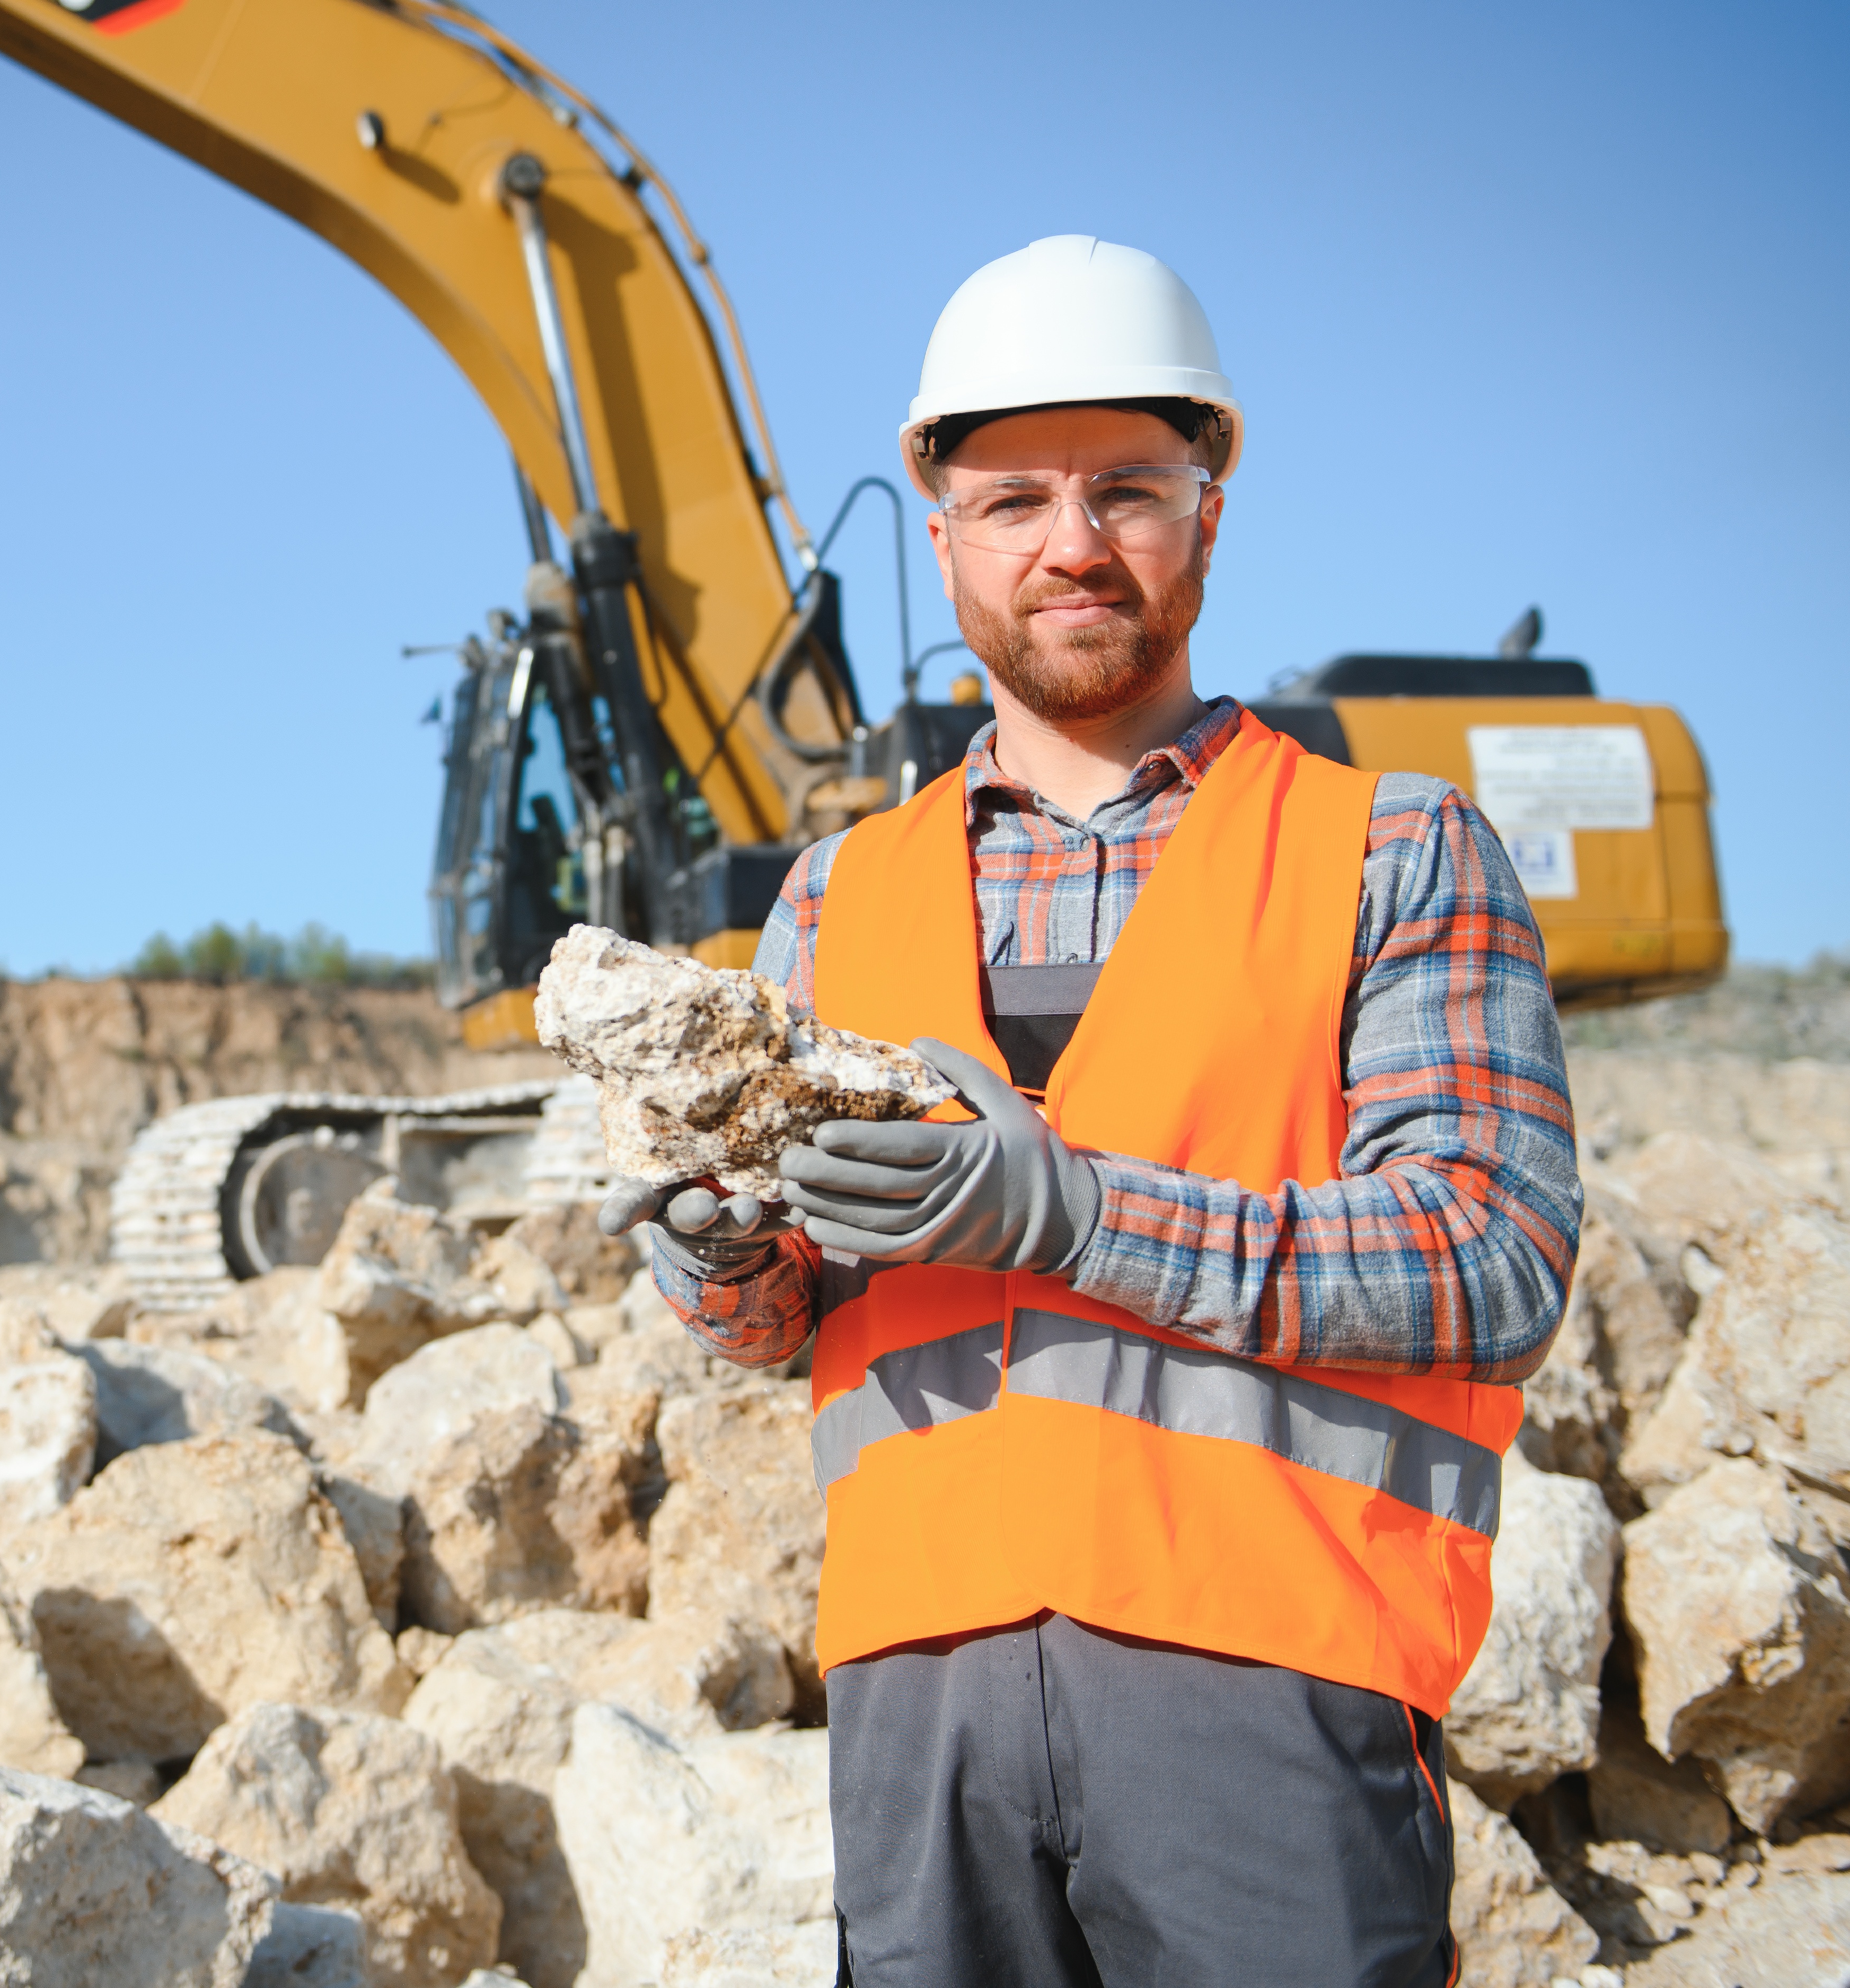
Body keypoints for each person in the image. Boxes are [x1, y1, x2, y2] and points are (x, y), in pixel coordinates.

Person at [604, 235, 1579, 1986]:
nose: (1071, 543)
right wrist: (720, 1262)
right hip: (920, 1699)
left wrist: (1060, 1212)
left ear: (1205, 513)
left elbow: (1491, 1258)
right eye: (1013, 501)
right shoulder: (833, 895)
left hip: (1269, 1685)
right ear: (942, 539)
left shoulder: (1391, 847)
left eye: (1125, 489)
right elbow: (791, 1325)